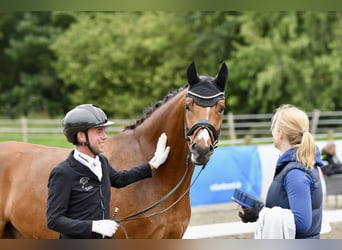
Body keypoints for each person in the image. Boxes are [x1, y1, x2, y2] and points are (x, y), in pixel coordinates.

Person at [46, 104, 170, 239]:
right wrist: (94, 226)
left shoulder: (101, 161)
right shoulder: (63, 173)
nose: (105, 136)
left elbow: (120, 179)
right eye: (99, 131)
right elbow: (54, 220)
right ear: (81, 136)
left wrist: (152, 164)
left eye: (104, 131)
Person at [237, 104, 323, 239]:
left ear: (280, 133)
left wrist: (261, 213)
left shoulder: (296, 173)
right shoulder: (295, 166)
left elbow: (302, 223)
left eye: (274, 128)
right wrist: (256, 213)